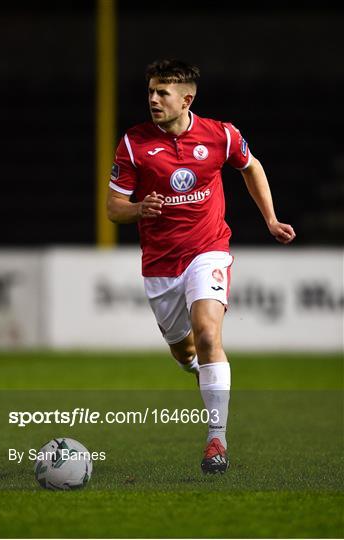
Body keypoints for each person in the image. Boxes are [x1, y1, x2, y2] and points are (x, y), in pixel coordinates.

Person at [106, 59, 296, 475]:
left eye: (163, 93)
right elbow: (113, 209)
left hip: (208, 249)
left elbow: (251, 166)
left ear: (186, 99)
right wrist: (139, 209)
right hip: (159, 264)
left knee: (208, 333)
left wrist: (270, 218)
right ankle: (198, 369)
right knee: (184, 349)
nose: (153, 100)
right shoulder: (135, 143)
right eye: (151, 91)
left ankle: (216, 440)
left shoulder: (221, 135)